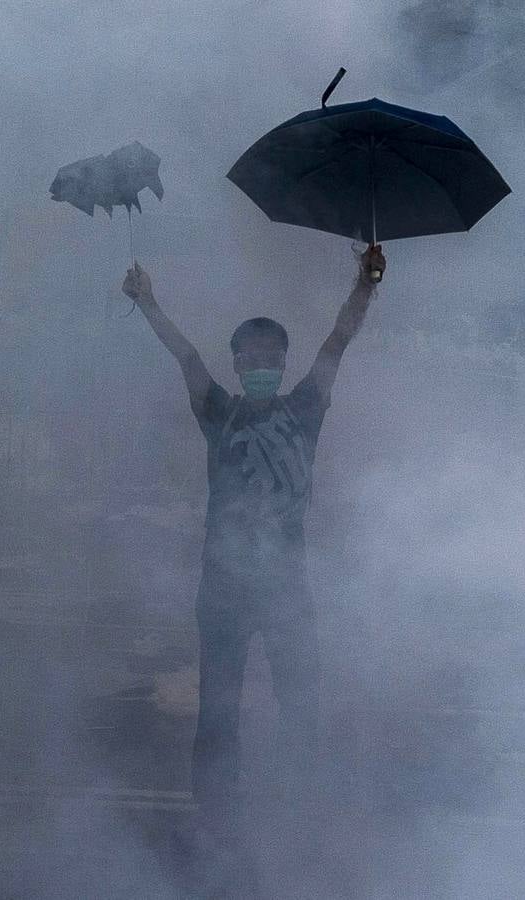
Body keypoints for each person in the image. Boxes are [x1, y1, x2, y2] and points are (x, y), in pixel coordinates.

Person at [121, 243, 384, 827]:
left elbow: (337, 342)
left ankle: (300, 804)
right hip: (223, 588)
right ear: (237, 364)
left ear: (284, 363)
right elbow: (186, 355)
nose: (261, 363)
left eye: (272, 355)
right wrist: (148, 302)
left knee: (299, 703)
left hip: (288, 585)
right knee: (218, 709)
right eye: (250, 356)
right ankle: (215, 814)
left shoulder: (306, 408)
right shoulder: (220, 413)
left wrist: (365, 287)